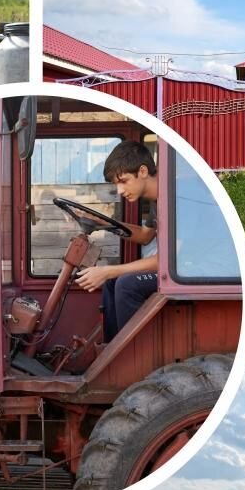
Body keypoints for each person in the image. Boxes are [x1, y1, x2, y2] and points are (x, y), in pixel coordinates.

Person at [74, 140, 159, 341]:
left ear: (143, 171)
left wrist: (107, 270)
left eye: (124, 181)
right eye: (116, 184)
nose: (119, 190)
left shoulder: (175, 198)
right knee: (114, 282)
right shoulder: (157, 203)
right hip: (173, 268)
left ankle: (132, 354)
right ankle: (112, 347)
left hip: (194, 274)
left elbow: (168, 262)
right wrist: (103, 222)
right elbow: (146, 236)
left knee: (126, 285)